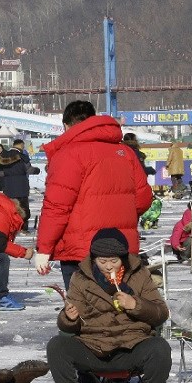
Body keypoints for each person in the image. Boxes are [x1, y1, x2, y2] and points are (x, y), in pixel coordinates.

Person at [35, 101, 153, 289]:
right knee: (119, 308)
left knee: (85, 310)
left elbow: (57, 207)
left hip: (81, 251)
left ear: (66, 125)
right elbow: (144, 198)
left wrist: (44, 248)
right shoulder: (125, 152)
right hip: (120, 247)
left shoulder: (68, 154)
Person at [46, 228, 171, 383]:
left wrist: (136, 305)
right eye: (102, 261)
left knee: (160, 347)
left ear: (124, 258)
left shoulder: (139, 275)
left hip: (131, 348)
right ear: (94, 259)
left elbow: (161, 314)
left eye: (114, 260)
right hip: (93, 349)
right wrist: (68, 318)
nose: (108, 266)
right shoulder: (81, 278)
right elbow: (68, 326)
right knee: (57, 345)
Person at [0, 147, 32, 233]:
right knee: (23, 207)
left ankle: (11, 227)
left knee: (10, 208)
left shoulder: (1, 158)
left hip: (8, 187)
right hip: (22, 186)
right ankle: (23, 227)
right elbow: (29, 170)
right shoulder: (22, 157)